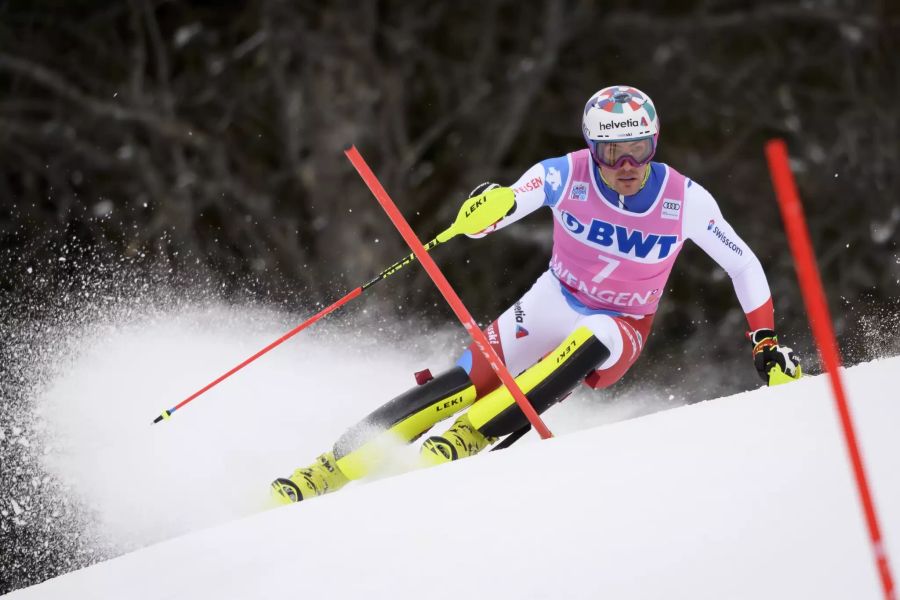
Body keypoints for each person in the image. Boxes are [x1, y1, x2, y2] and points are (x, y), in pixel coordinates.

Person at [271, 84, 802, 504]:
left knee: (594, 333)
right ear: (594, 147)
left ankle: (465, 439)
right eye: (612, 152)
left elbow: (743, 263)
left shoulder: (685, 199)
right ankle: (326, 469)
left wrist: (764, 340)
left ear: (654, 143)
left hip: (623, 325)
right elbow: (508, 207)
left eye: (638, 150)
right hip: (553, 299)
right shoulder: (563, 174)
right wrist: (490, 209)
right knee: (462, 382)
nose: (626, 167)